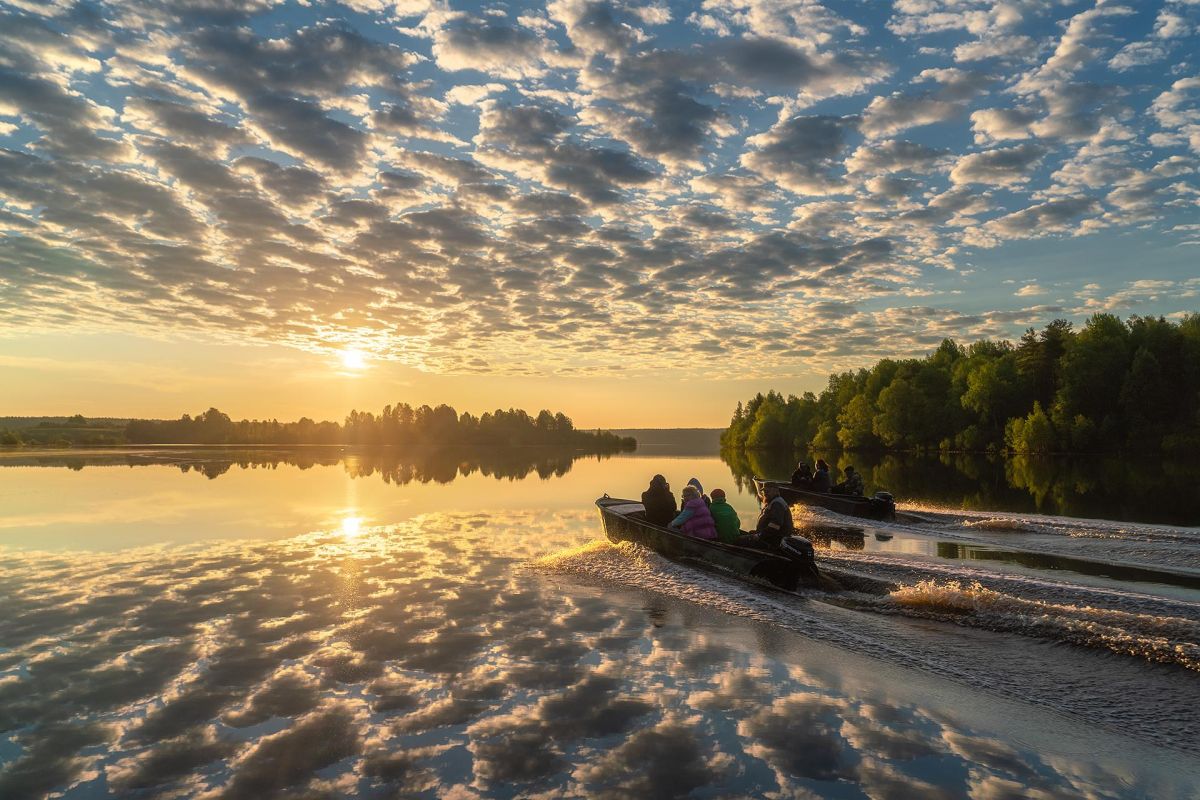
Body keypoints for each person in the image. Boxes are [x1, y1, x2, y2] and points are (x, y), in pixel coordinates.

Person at [736, 484, 794, 549]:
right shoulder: (773, 501)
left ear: (775, 491)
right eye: (764, 491)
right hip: (768, 537)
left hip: (772, 540)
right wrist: (757, 533)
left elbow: (774, 527)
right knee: (747, 533)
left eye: (768, 491)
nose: (765, 493)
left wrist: (759, 535)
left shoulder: (777, 504)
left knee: (738, 540)